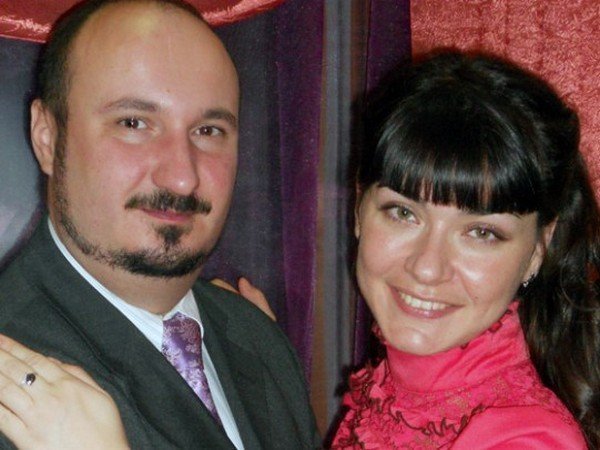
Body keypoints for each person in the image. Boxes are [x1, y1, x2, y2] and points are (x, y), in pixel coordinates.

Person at [0, 0, 319, 448]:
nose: (182, 176)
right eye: (134, 123)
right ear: (47, 137)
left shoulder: (258, 339)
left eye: (208, 131)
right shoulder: (14, 378)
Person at [329, 51, 599, 448]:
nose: (427, 268)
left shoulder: (525, 441)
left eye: (481, 233)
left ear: (538, 249)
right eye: (403, 212)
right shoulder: (395, 390)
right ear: (358, 208)